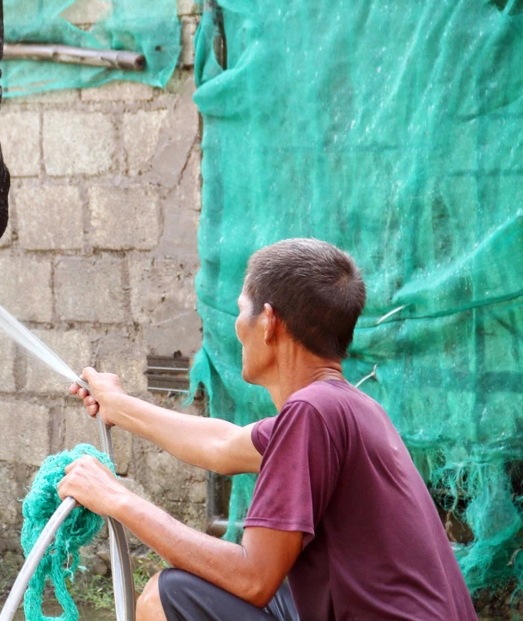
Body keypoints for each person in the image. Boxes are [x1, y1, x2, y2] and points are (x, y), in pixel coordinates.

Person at [60, 238, 475, 621]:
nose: (238, 325)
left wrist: (117, 499)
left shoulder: (313, 412)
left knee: (165, 597)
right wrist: (119, 405)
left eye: (243, 309)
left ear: (269, 322)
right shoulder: (349, 408)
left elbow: (252, 579)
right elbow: (223, 444)